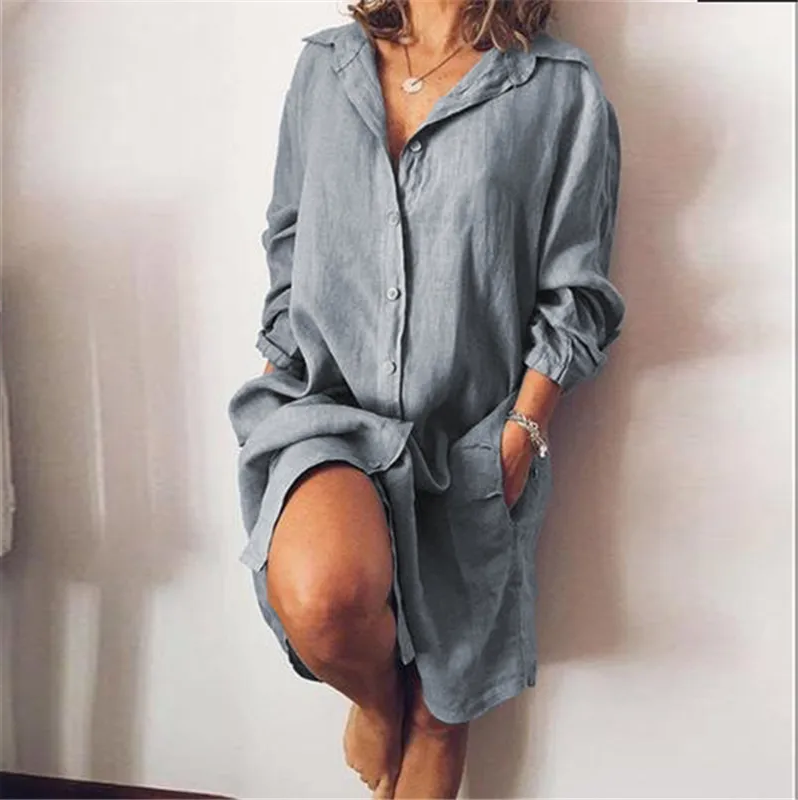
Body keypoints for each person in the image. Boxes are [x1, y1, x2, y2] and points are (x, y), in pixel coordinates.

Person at [227, 0, 626, 796]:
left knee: (443, 718)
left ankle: (416, 711)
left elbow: (576, 288)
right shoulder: (326, 69)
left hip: (468, 438)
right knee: (324, 598)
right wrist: (277, 371)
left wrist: (524, 427)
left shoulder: (558, 87)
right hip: (330, 413)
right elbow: (290, 238)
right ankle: (378, 699)